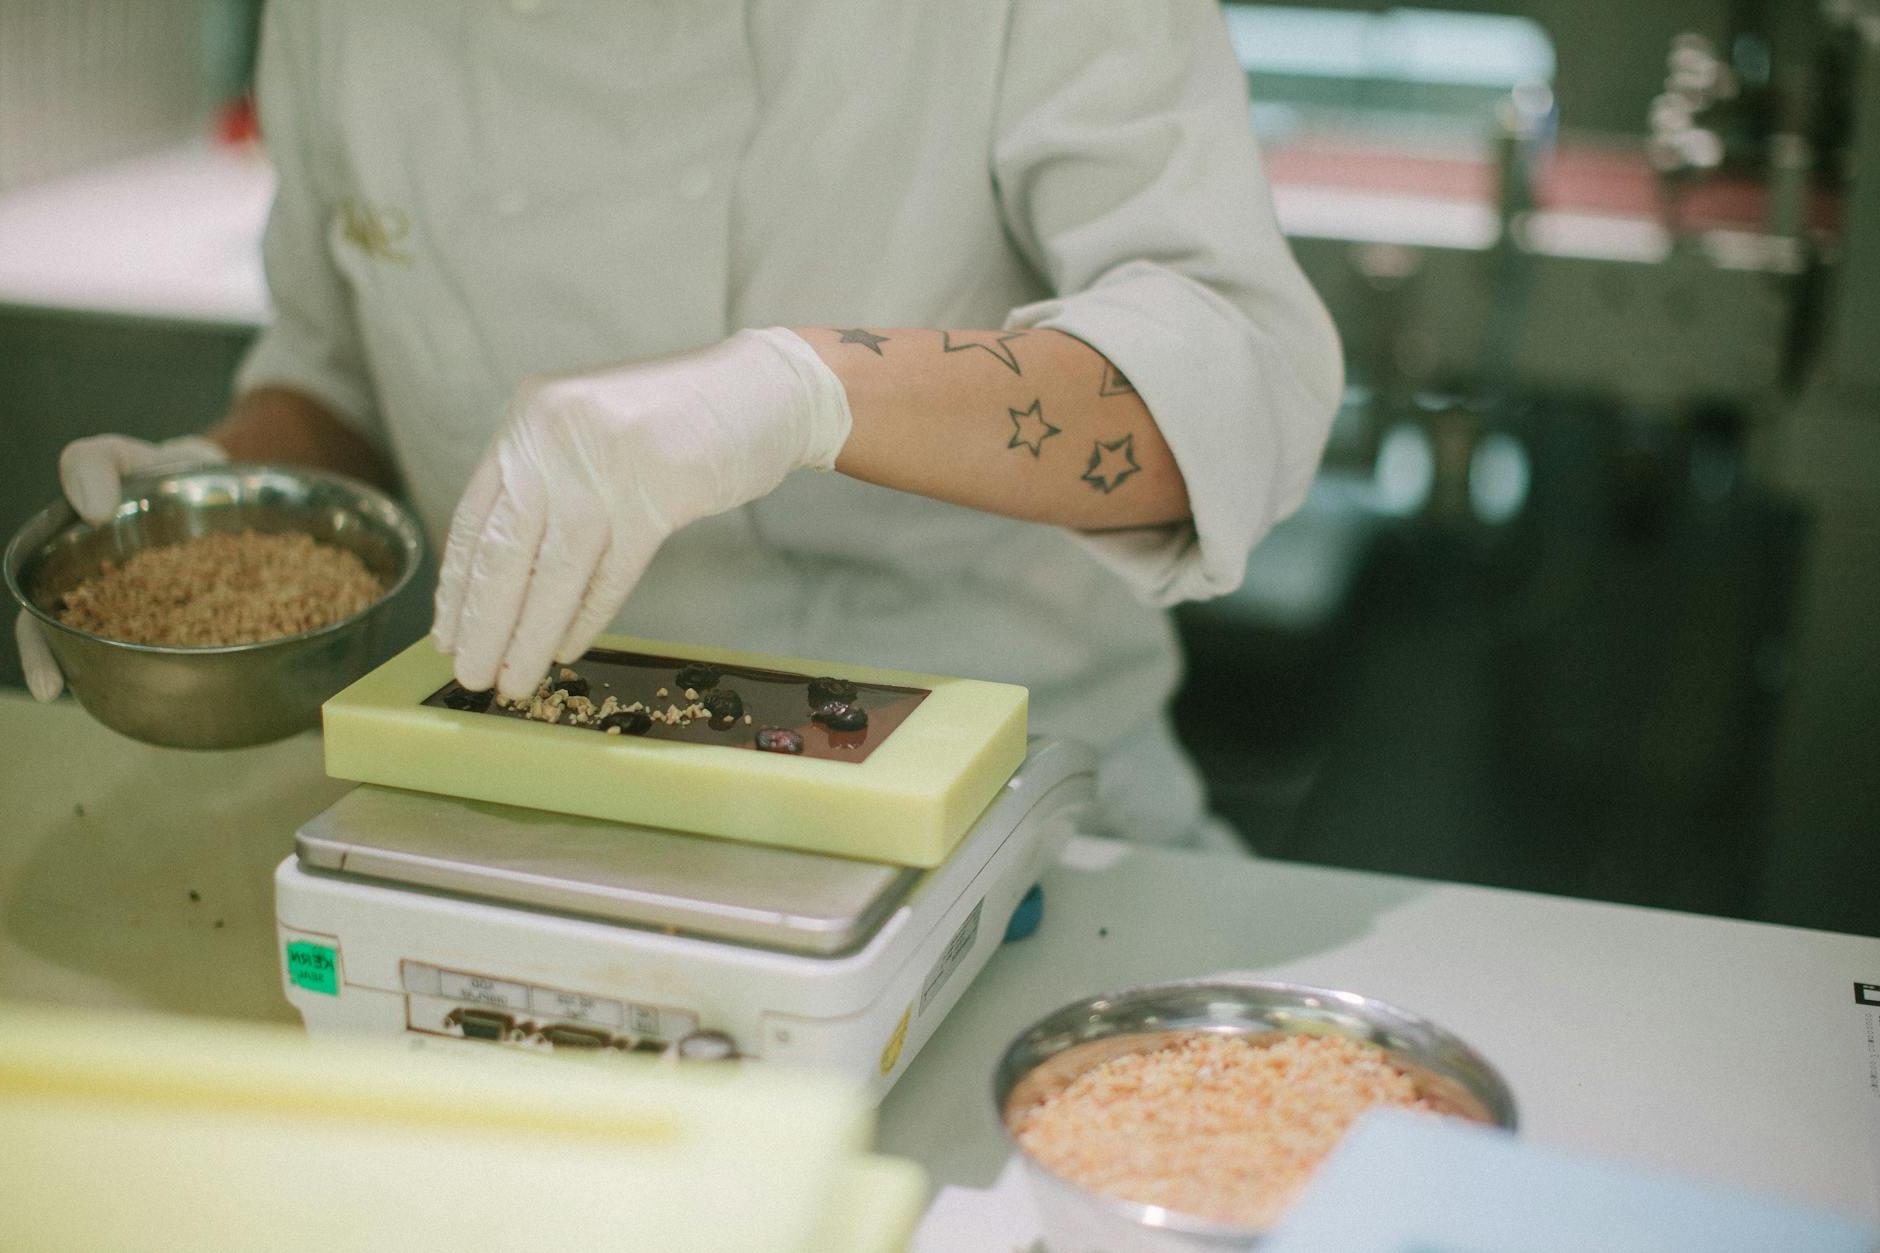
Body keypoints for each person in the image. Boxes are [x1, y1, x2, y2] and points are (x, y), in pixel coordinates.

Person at [17, 1, 1340, 850]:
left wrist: (798, 393)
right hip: (496, 827)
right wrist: (225, 499)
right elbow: (340, 370)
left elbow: (1235, 380)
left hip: (1006, 825)